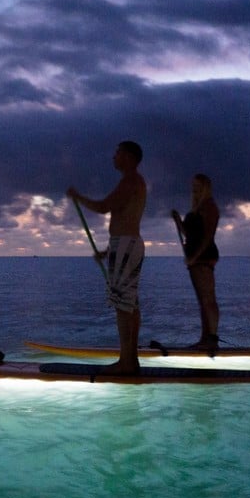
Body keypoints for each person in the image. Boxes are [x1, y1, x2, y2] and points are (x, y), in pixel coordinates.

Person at [67, 140, 147, 373]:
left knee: (123, 304)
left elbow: (104, 207)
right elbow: (125, 219)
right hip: (125, 245)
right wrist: (108, 251)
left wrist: (77, 197)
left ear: (129, 157)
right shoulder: (134, 181)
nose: (114, 157)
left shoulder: (131, 180)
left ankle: (126, 362)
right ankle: (131, 360)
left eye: (118, 153)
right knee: (130, 304)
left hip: (126, 245)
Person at [171, 173, 220, 350]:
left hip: (204, 257)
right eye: (193, 186)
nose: (194, 189)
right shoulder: (195, 208)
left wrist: (194, 257)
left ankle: (212, 339)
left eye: (198, 185)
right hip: (194, 258)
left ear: (205, 187)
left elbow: (208, 237)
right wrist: (178, 221)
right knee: (202, 300)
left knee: (208, 298)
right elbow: (188, 234)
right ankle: (204, 338)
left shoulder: (209, 207)